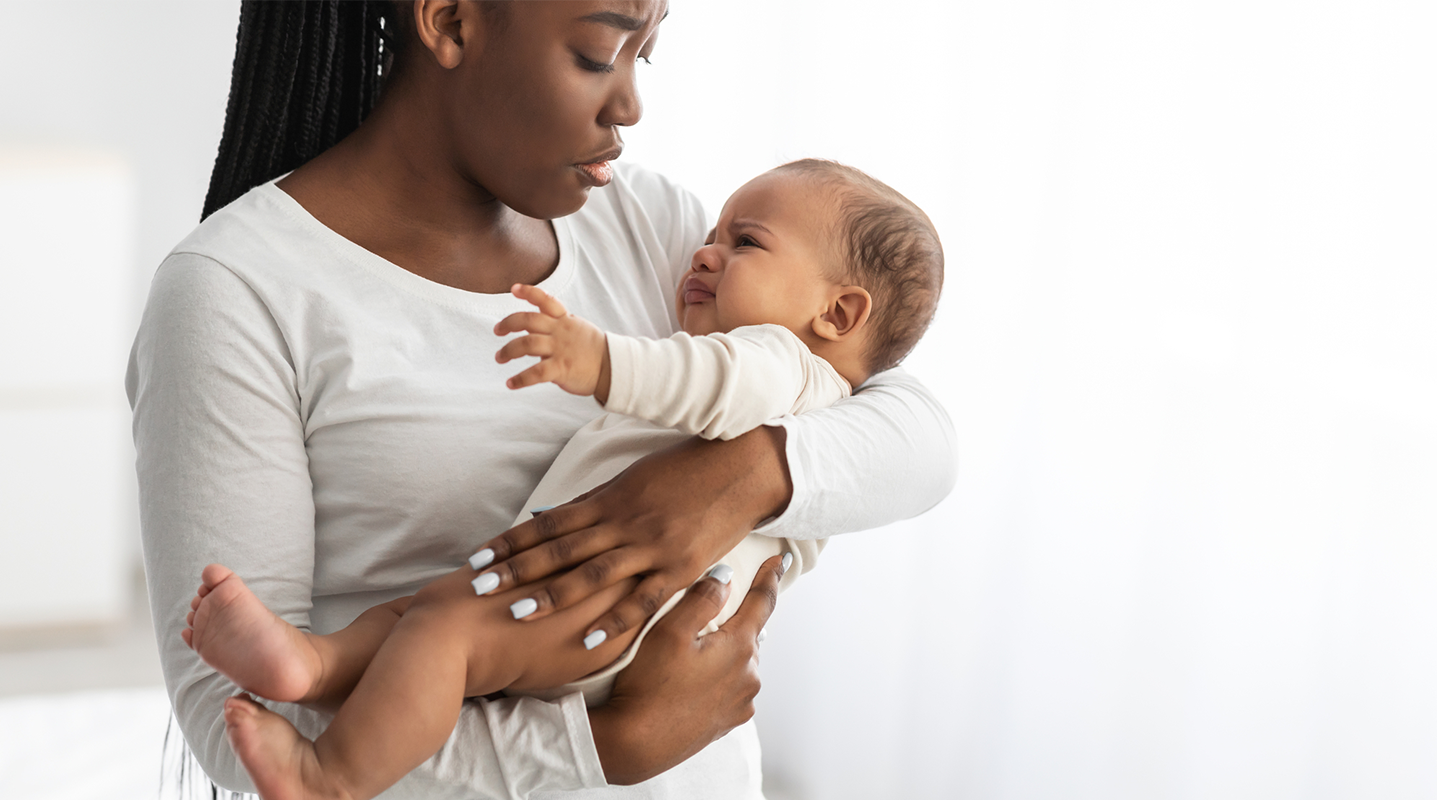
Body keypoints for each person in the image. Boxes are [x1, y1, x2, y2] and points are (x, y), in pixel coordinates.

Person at [128, 1, 956, 797]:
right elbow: (231, 714)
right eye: (600, 52)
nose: (630, 101)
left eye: (647, 53)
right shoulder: (235, 292)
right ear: (451, 21)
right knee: (424, 625)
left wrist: (740, 476)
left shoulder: (655, 226)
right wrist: (606, 745)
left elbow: (911, 433)